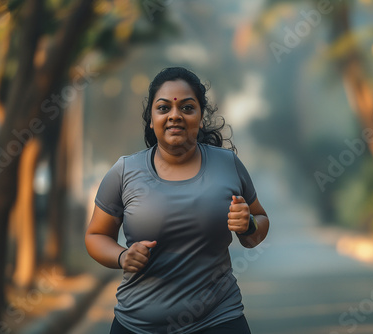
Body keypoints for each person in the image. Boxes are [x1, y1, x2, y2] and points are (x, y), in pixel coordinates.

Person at [85, 67, 270, 334]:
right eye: (163, 108)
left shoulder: (227, 165)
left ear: (201, 117)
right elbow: (95, 235)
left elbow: (257, 229)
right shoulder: (124, 171)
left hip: (218, 320)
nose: (175, 115)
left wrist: (249, 224)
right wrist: (123, 256)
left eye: (187, 107)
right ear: (151, 119)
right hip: (137, 325)